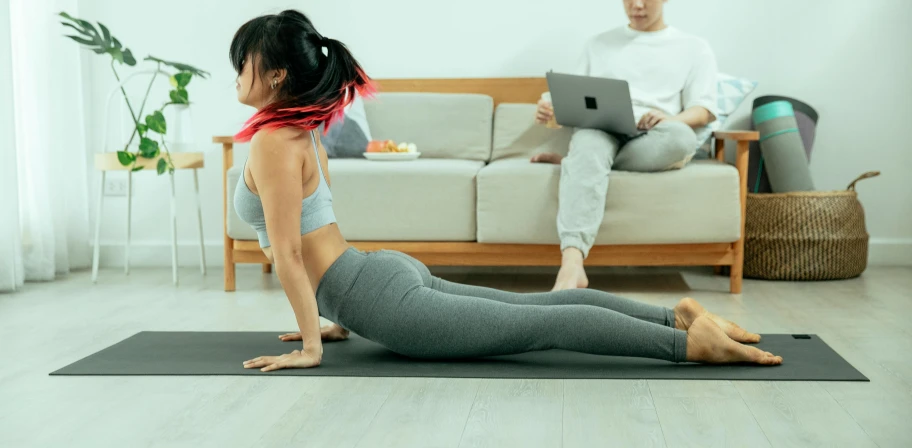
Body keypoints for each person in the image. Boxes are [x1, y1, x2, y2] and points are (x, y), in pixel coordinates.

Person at [229, 10, 781, 372]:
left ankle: (686, 343)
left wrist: (311, 345)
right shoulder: (298, 132)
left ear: (277, 75)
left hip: (377, 296)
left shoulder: (273, 142)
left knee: (540, 323)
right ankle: (675, 316)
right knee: (536, 308)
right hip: (373, 276)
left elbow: (293, 255)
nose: (236, 74)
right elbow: (317, 232)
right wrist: (338, 312)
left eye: (243, 63)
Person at [532, 0, 719, 291]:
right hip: (601, 127)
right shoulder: (598, 44)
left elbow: (703, 110)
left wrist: (671, 117)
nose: (637, 5)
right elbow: (572, 98)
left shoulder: (694, 47)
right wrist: (550, 111)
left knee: (682, 138)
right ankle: (571, 266)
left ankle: (579, 163)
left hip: (656, 134)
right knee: (589, 142)